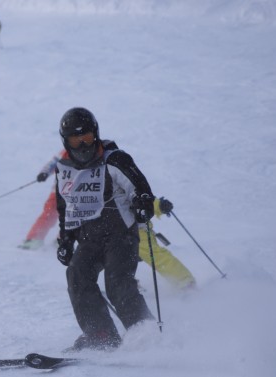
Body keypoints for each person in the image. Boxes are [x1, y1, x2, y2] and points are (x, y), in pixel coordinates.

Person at [54, 108, 155, 351]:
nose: (82, 144)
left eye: (87, 137)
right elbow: (65, 206)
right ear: (65, 141)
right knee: (77, 276)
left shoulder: (114, 159)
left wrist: (142, 203)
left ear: (96, 134)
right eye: (75, 140)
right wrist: (66, 241)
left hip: (121, 236)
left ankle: (147, 335)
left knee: (118, 283)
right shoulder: (64, 169)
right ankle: (100, 334)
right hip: (89, 239)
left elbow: (141, 189)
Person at [20, 153, 196, 290]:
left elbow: (141, 195)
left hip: (137, 229)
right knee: (107, 257)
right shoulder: (72, 161)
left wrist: (159, 205)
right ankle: (128, 284)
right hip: (112, 230)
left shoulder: (113, 173)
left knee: (152, 254)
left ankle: (184, 282)